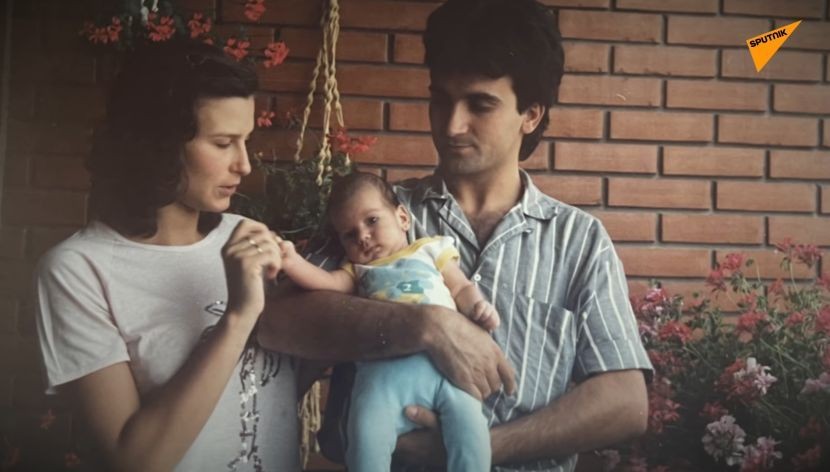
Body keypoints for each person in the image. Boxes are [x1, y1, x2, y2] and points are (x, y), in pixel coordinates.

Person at [257, 0, 652, 470]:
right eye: (441, 99)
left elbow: (626, 401)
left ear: (530, 114)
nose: (450, 125)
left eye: (480, 104)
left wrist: (476, 448)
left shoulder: (579, 240)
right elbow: (277, 321)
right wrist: (422, 326)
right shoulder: (377, 216)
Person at [34, 40, 298, 471]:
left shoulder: (246, 238)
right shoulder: (78, 270)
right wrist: (238, 317)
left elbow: (277, 384)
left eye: (246, 141)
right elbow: (135, 460)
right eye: (223, 143)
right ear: (160, 145)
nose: (244, 165)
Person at [278, 171, 499, 471]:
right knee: (365, 436)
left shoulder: (430, 249)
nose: (363, 237)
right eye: (349, 235)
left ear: (402, 218)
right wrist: (292, 262)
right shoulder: (357, 271)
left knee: (472, 433)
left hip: (446, 370)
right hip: (381, 379)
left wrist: (478, 308)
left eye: (372, 221)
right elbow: (325, 282)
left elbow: (460, 288)